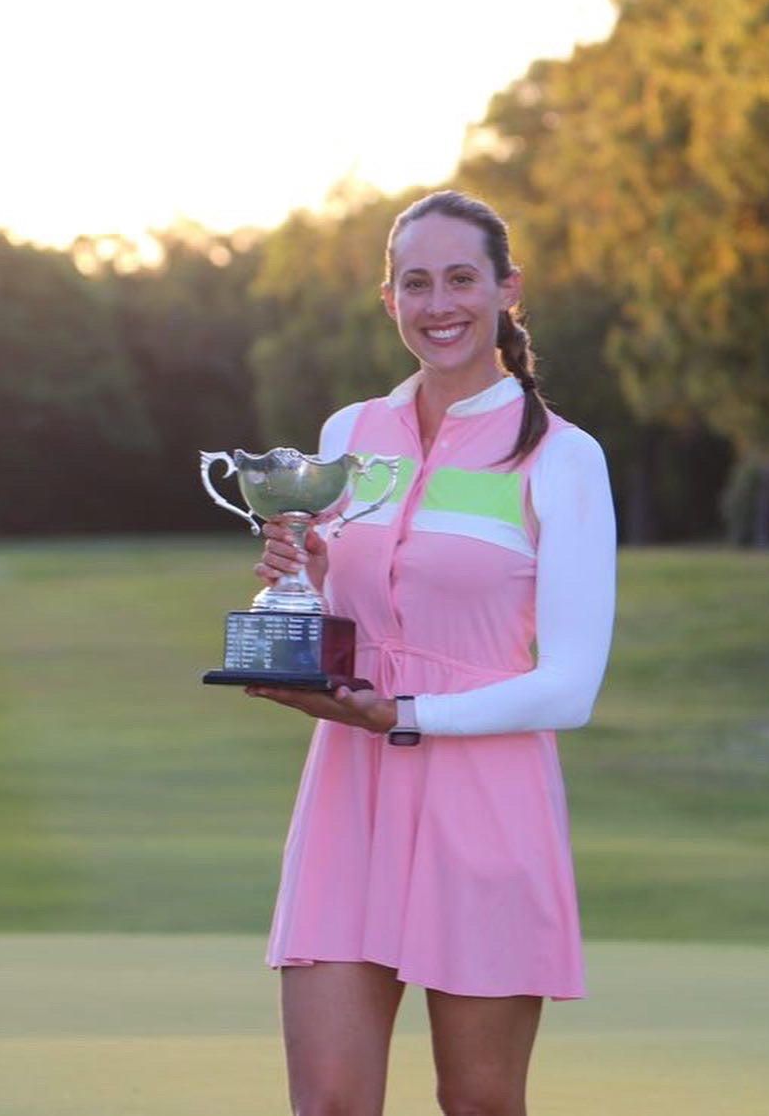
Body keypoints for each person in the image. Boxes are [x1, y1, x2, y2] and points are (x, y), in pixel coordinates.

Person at [247, 190, 616, 1116]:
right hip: (352, 786)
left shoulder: (563, 457)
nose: (439, 302)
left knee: (480, 1105)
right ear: (389, 298)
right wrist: (306, 578)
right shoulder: (347, 436)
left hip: (486, 798)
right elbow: (349, 620)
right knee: (328, 1103)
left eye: (461, 278)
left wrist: (408, 715)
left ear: (506, 290)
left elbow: (569, 686)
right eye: (416, 282)